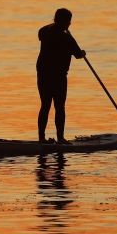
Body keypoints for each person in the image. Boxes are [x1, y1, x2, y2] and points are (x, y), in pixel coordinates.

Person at [36, 9, 85, 144]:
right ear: (64, 21)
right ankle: (60, 138)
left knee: (45, 105)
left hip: (43, 73)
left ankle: (41, 138)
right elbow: (78, 55)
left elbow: (43, 33)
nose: (70, 24)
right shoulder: (66, 38)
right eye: (68, 21)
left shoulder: (44, 31)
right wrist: (83, 52)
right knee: (59, 106)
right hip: (57, 76)